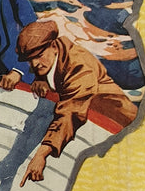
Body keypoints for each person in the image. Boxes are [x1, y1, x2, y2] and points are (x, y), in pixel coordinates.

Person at [16, 20, 138, 182]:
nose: (35, 64)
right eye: (30, 60)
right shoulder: (54, 56)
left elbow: (70, 112)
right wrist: (41, 80)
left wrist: (41, 155)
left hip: (123, 127)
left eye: (38, 56)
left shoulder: (79, 65)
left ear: (54, 46)